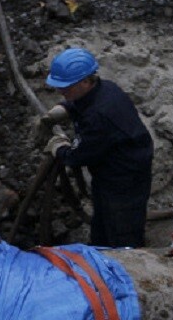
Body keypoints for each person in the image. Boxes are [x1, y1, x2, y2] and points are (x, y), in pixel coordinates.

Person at [39, 47, 154, 248]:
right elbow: (82, 104)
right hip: (112, 172)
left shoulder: (99, 116)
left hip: (124, 181)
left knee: (123, 235)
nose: (61, 91)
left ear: (85, 81)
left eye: (66, 87)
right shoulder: (105, 88)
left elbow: (79, 156)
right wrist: (64, 109)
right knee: (101, 226)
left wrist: (59, 148)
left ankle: (128, 260)